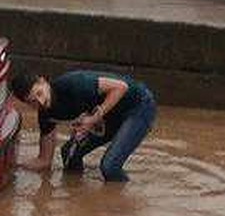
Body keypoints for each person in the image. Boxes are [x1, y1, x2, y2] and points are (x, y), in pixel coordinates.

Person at [11, 70, 156, 183]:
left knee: (109, 167)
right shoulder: (46, 116)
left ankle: (120, 201)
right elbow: (44, 161)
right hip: (108, 115)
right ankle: (77, 194)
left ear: (43, 81)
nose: (41, 102)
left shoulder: (74, 83)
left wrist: (93, 119)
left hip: (138, 107)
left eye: (39, 93)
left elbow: (121, 87)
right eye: (33, 102)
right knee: (69, 154)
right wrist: (12, 166)